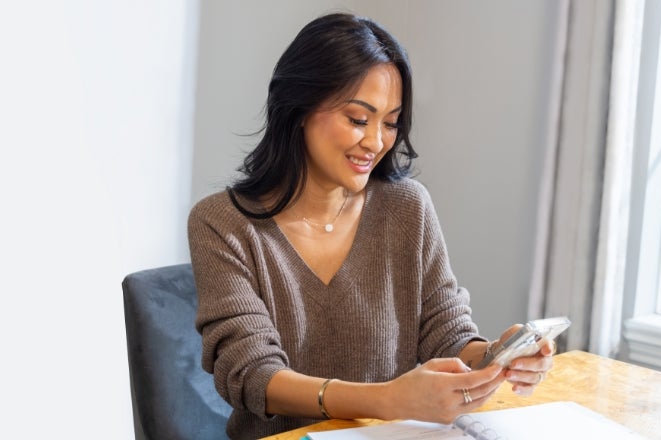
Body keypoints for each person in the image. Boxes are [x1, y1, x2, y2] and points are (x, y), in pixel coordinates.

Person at [188, 12, 554, 440]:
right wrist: (385, 399)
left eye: (391, 122)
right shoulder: (223, 223)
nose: (377, 142)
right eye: (359, 119)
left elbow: (447, 333)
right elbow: (251, 374)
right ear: (299, 108)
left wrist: (497, 356)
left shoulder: (406, 208)